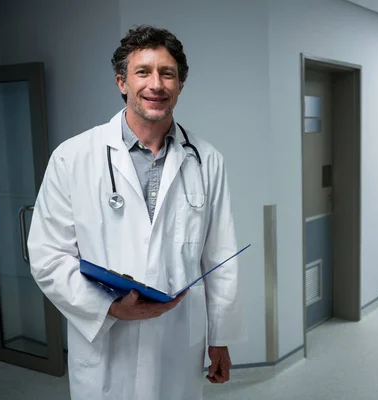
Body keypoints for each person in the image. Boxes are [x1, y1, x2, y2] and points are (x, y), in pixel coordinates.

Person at [27, 25, 244, 399]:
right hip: (107, 344)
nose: (155, 84)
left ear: (180, 85)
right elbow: (47, 255)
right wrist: (107, 307)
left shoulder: (207, 161)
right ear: (121, 83)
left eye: (167, 73)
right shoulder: (72, 157)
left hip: (176, 344)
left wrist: (220, 337)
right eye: (142, 72)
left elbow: (220, 258)